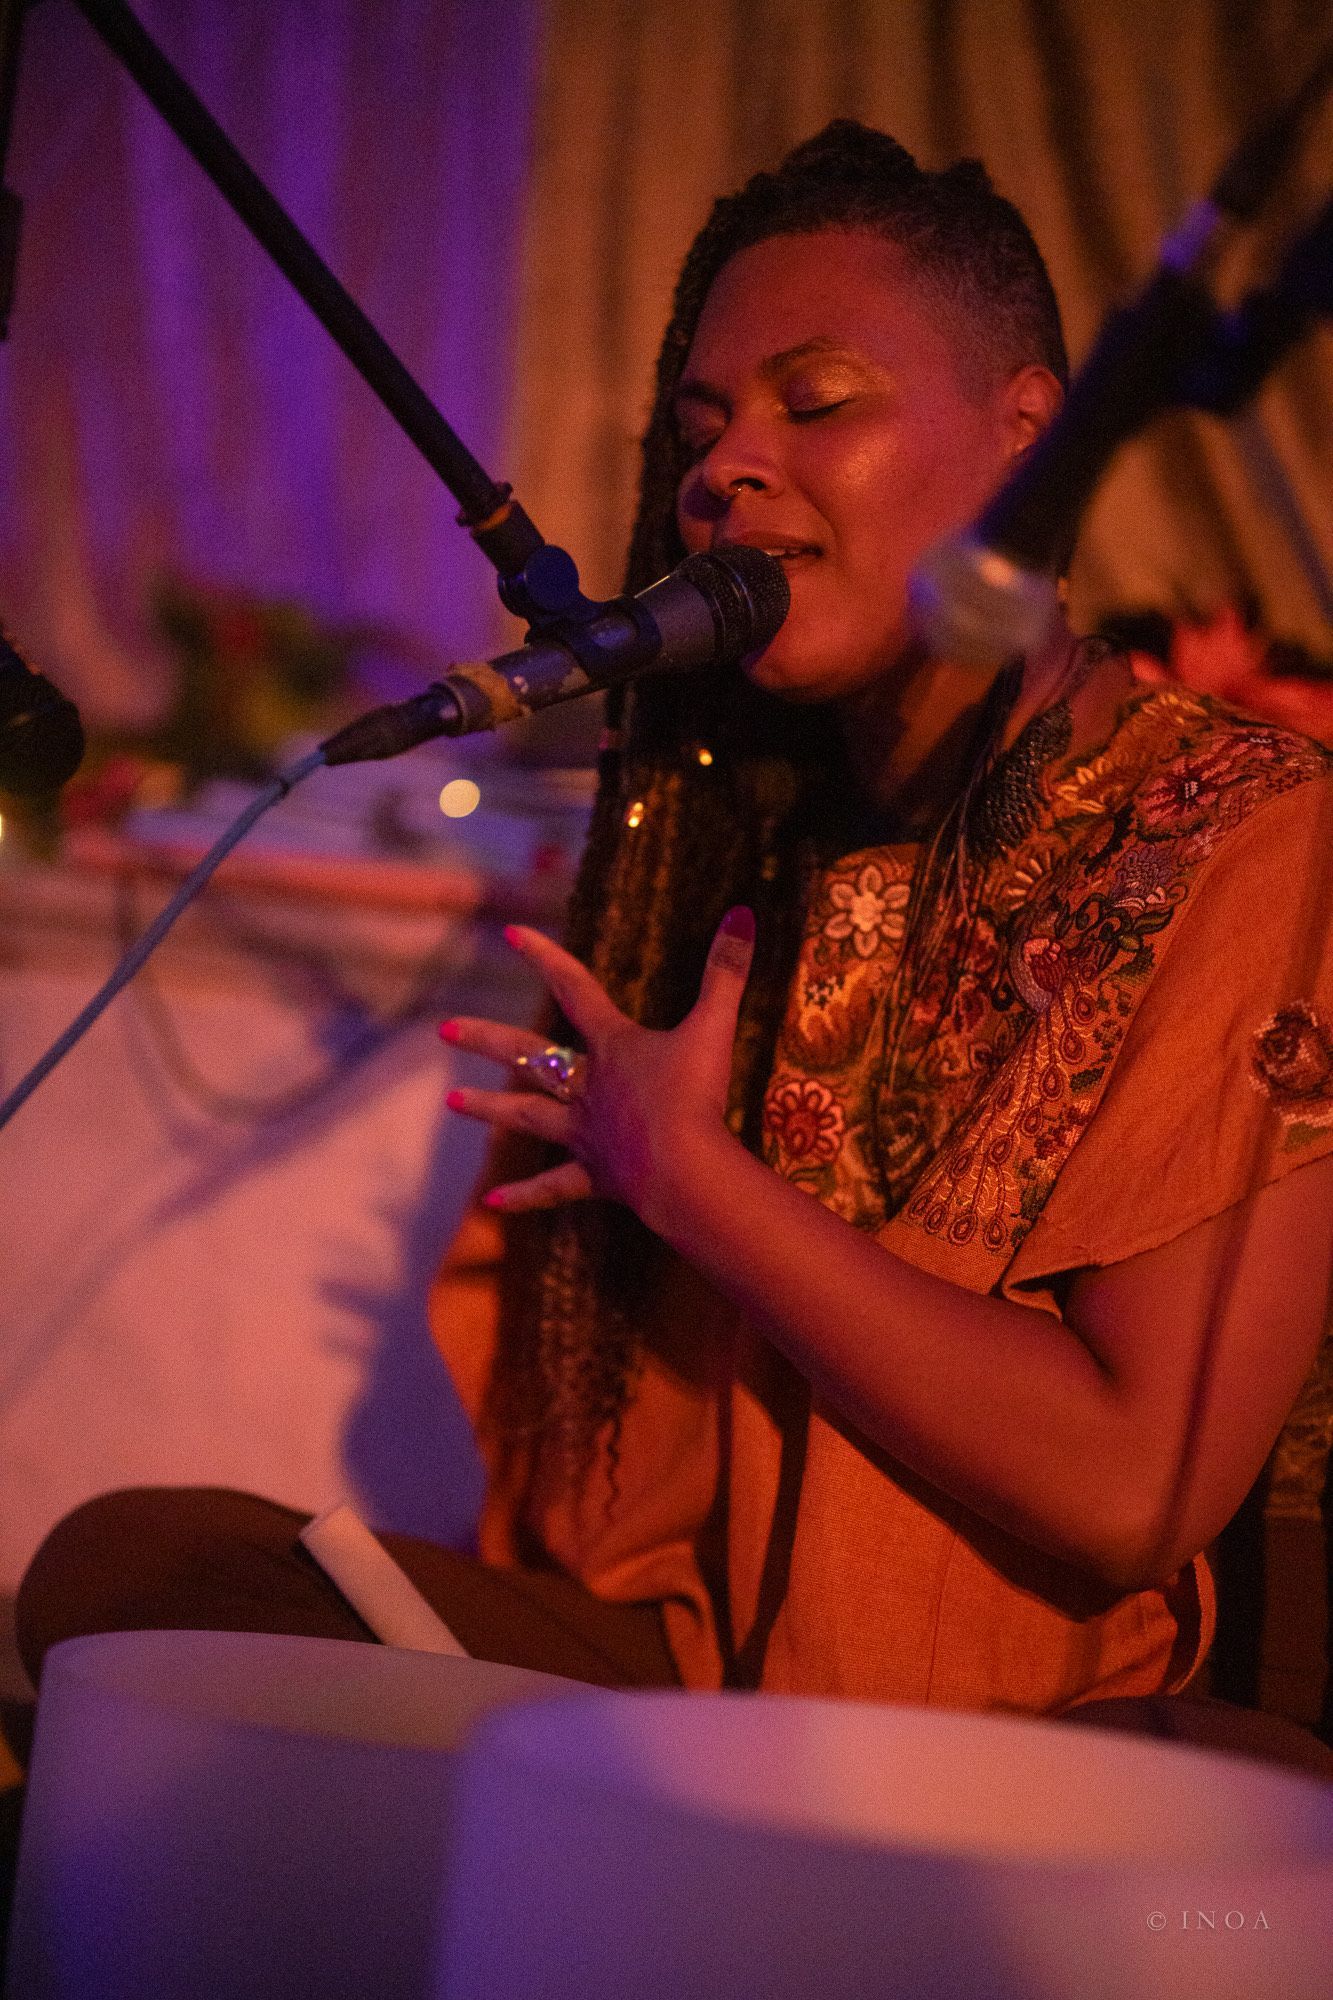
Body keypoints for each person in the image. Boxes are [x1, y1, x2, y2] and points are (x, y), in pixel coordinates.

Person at [15, 124, 1333, 1766]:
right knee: (138, 1582)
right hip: (699, 1693)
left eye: (816, 400)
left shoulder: (1241, 821)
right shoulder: (745, 831)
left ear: (1026, 440)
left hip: (1049, 1742)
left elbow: (1134, 1486)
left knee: (1213, 1814)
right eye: (699, 428)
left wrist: (691, 1183)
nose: (724, 467)